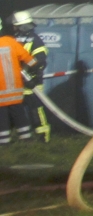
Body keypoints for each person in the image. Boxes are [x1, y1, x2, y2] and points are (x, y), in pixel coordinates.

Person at [10, 11, 49, 143]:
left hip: (32, 82)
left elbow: (40, 60)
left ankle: (42, 135)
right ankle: (22, 135)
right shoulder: (16, 39)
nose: (14, 28)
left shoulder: (35, 40)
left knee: (35, 109)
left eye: (15, 26)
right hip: (18, 81)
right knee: (17, 110)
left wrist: (33, 76)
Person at [0, 19, 36, 145]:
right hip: (15, 89)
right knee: (19, 114)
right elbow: (31, 61)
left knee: (2, 117)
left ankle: (4, 142)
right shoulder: (11, 42)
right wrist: (28, 73)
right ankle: (26, 139)